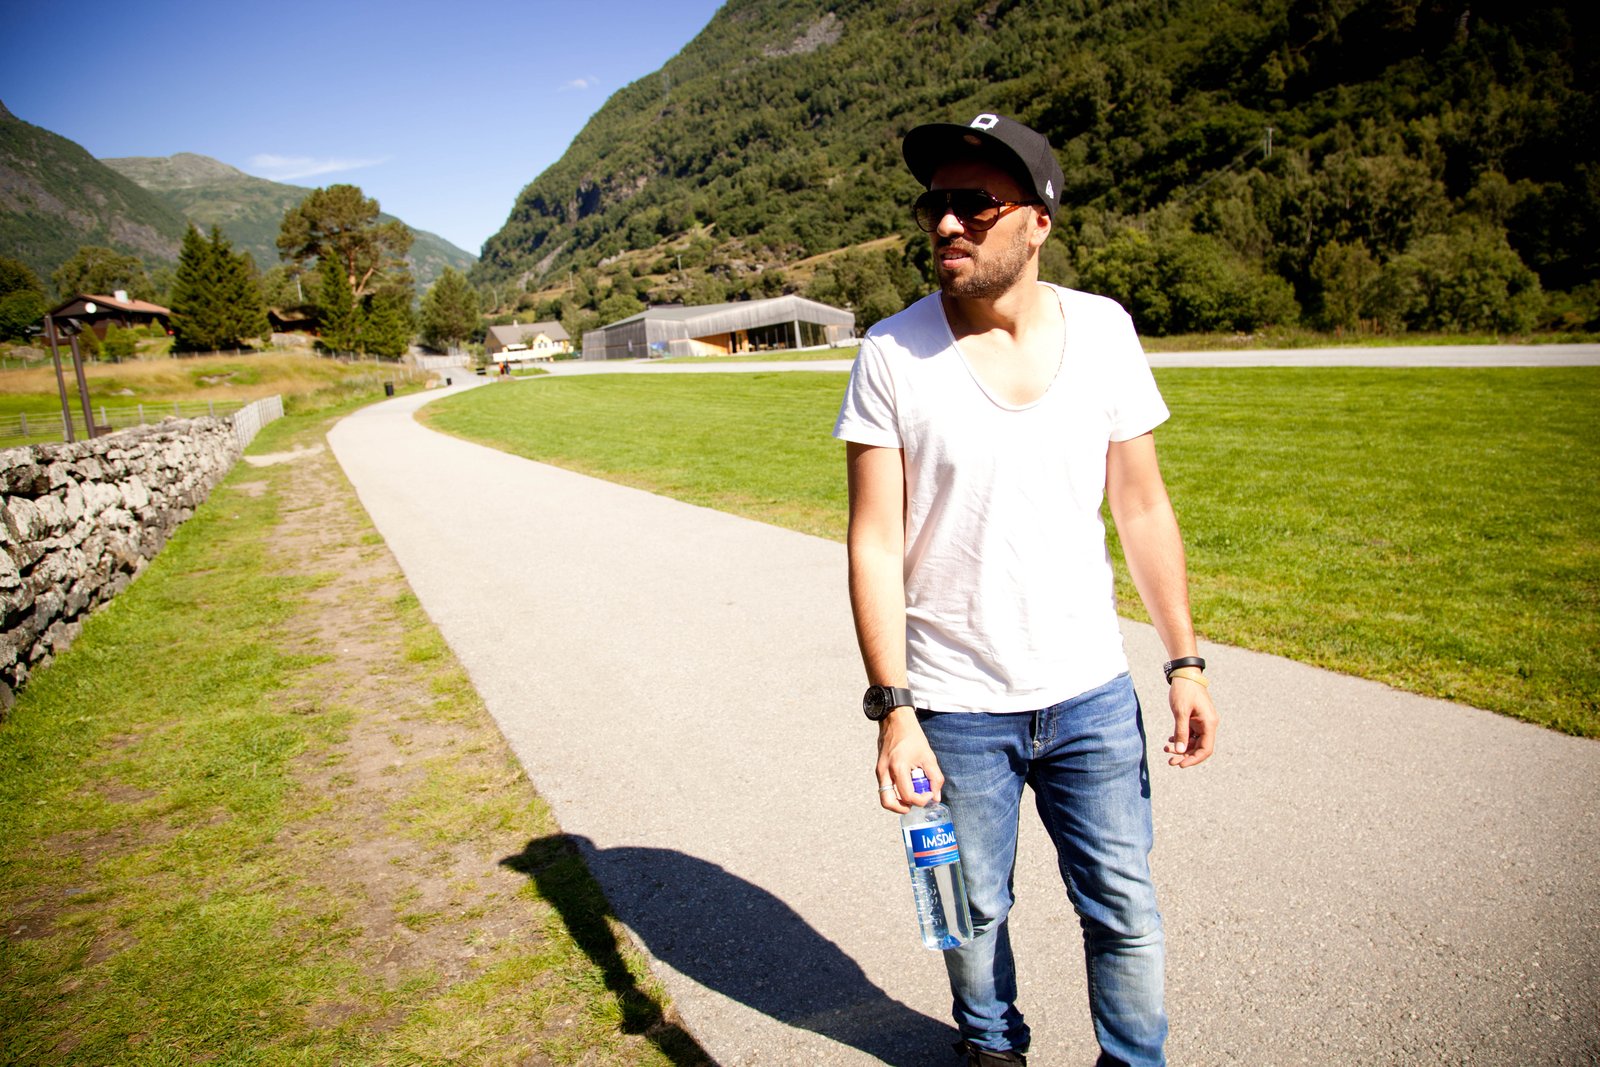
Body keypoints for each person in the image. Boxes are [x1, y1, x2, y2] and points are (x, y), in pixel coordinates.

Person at [834, 113, 1219, 1067]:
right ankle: (992, 1048)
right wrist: (894, 708)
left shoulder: (1105, 330)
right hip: (954, 707)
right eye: (935, 204)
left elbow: (1142, 506)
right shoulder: (890, 353)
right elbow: (873, 542)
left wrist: (1185, 661)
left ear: (1038, 221)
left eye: (975, 204)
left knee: (1123, 907)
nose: (946, 224)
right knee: (969, 913)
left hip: (1091, 695)